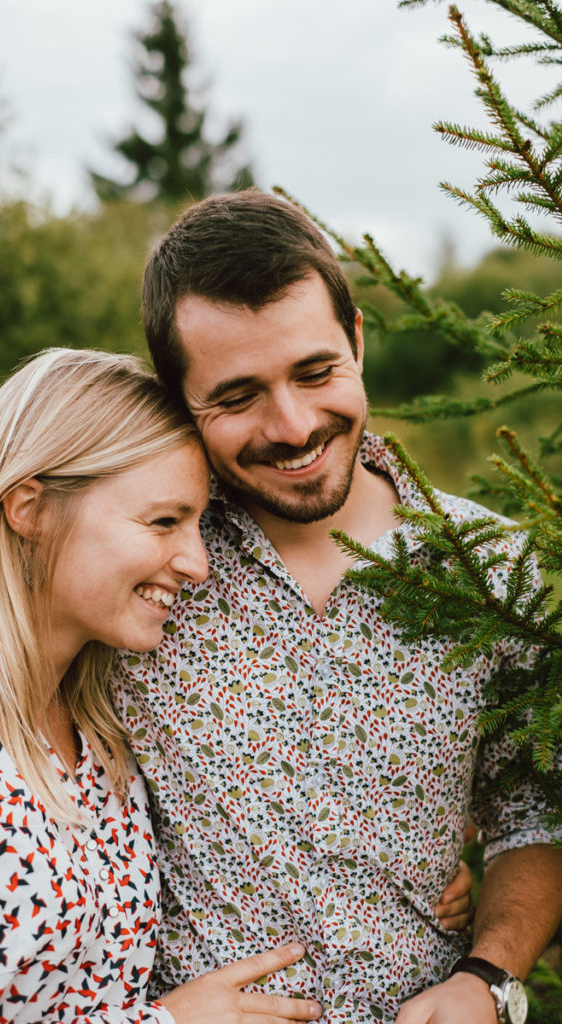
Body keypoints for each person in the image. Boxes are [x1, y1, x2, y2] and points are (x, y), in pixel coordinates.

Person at [109, 191, 562, 1024]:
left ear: (356, 340)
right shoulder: (137, 567)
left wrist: (489, 979)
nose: (292, 425)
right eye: (237, 395)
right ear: (179, 399)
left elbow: (532, 810)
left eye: (315, 372)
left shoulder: (490, 568)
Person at [0, 347, 329, 1024]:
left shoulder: (108, 725)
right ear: (28, 508)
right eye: (161, 521)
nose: (197, 564)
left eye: (197, 525)